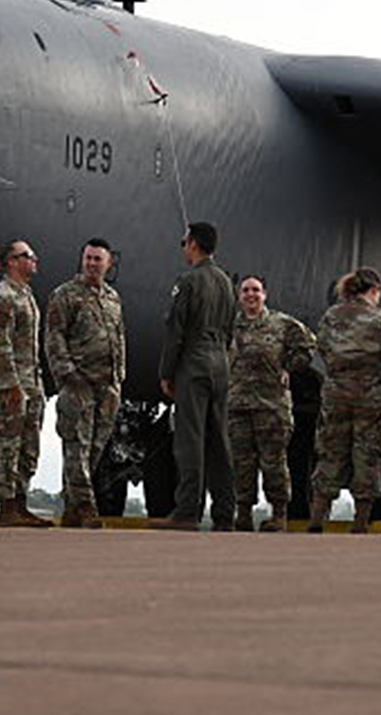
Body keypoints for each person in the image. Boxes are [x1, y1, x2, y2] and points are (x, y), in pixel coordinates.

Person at [150, 221, 237, 530]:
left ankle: (187, 511)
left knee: (190, 441)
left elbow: (176, 331)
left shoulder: (188, 281)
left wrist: (166, 372)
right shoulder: (226, 282)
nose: (184, 249)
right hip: (220, 363)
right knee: (219, 442)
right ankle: (225, 514)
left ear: (194, 244)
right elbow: (230, 329)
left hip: (194, 363)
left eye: (184, 243)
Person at [307, 268, 381, 534]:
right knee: (368, 454)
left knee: (330, 451)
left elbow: (322, 348)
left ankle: (318, 517)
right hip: (370, 396)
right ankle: (361, 521)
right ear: (374, 290)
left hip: (336, 393)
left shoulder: (331, 315)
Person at [44, 237, 126, 529]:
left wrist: (119, 378)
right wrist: (68, 375)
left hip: (107, 388)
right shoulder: (65, 295)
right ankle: (86, 507)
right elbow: (54, 338)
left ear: (108, 263)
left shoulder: (113, 298)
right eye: (88, 258)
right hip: (78, 384)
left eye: (97, 259)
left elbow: (119, 337)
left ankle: (72, 508)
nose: (92, 263)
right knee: (76, 447)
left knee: (94, 450)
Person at [226, 274, 317, 530]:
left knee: (273, 462)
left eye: (256, 290)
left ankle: (279, 514)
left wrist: (289, 367)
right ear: (239, 296)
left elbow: (308, 346)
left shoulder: (282, 324)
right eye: (245, 290)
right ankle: (243, 513)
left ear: (264, 294)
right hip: (238, 405)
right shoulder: (230, 326)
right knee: (242, 462)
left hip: (272, 406)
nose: (251, 295)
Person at [0, 240, 51, 528]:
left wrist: (34, 387)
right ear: (11, 261)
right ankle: (7, 507)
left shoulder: (25, 295)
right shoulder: (2, 297)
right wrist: (11, 386)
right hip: (8, 385)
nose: (33, 259)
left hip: (29, 383)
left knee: (28, 447)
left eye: (32, 255)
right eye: (27, 256)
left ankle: (21, 504)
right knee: (8, 446)